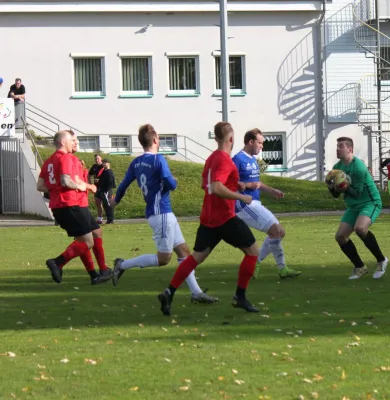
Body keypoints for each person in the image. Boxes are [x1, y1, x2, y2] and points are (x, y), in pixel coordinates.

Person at [157, 122, 260, 316]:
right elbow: (217, 187)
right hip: (225, 218)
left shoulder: (212, 158)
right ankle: (240, 297)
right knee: (253, 251)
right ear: (231, 139)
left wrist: (234, 184)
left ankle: (168, 292)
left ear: (216, 138)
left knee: (196, 258)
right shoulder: (224, 160)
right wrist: (241, 196)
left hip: (208, 217)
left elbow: (208, 185)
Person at [110, 124, 216, 304]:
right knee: (164, 259)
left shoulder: (136, 162)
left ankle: (196, 292)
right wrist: (172, 181)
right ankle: (123, 265)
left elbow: (123, 184)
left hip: (160, 213)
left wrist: (116, 200)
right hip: (162, 214)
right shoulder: (159, 160)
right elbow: (171, 184)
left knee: (183, 252)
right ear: (155, 140)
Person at [37, 131, 112, 285]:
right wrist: (85, 186)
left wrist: (57, 188)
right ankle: (58, 262)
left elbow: (41, 185)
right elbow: (67, 181)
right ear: (64, 142)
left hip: (64, 205)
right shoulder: (66, 158)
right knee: (87, 241)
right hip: (70, 203)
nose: (75, 143)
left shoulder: (50, 161)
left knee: (91, 235)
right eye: (73, 140)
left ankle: (97, 273)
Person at [232, 128, 301, 279]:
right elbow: (230, 182)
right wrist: (247, 185)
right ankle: (279, 268)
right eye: (260, 143)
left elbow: (257, 183)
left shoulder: (252, 160)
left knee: (279, 232)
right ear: (250, 142)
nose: (262, 146)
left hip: (255, 203)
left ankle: (263, 264)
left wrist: (272, 190)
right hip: (244, 205)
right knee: (276, 231)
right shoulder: (237, 159)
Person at [327, 137, 388, 280]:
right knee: (340, 237)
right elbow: (336, 195)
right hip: (353, 206)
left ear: (350, 149)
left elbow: (356, 193)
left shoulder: (359, 167)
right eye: (337, 146)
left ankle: (381, 260)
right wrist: (331, 186)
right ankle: (359, 266)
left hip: (369, 202)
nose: (338, 148)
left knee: (360, 229)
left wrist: (343, 185)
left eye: (341, 146)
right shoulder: (337, 167)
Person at [97, 158, 116, 224]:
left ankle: (110, 219)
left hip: (107, 191)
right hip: (103, 190)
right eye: (103, 163)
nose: (103, 164)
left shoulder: (109, 172)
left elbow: (111, 182)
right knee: (105, 205)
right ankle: (109, 219)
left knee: (108, 204)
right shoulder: (104, 171)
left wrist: (106, 190)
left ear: (108, 163)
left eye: (105, 162)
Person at [88, 154, 105, 224]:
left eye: (98, 158)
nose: (97, 160)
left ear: (101, 159)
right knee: (98, 203)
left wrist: (101, 180)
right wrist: (90, 183)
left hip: (103, 187)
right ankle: (100, 218)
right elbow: (89, 175)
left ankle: (110, 218)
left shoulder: (104, 166)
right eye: (95, 159)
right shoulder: (94, 167)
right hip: (96, 187)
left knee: (106, 204)